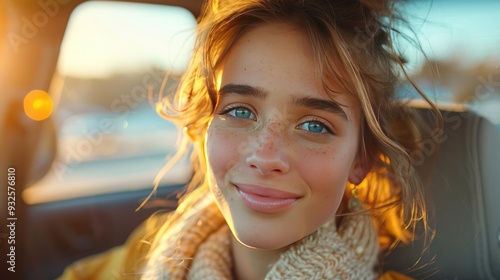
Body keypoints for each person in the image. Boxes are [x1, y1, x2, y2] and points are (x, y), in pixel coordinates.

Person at [59, 0, 438, 279]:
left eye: (315, 125)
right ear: (204, 125)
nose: (265, 155)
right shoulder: (148, 253)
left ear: (361, 158)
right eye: (239, 112)